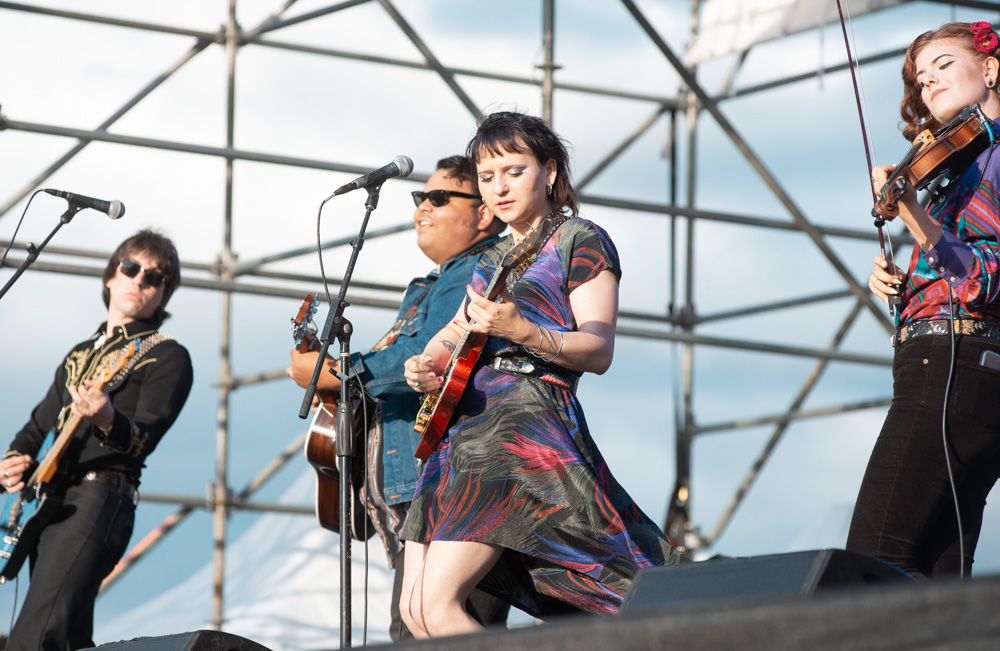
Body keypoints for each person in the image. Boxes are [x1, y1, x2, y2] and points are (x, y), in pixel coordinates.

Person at [400, 111, 681, 638]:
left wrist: (524, 330)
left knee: (438, 607)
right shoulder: (492, 258)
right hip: (462, 433)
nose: (498, 187)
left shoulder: (579, 238)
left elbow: (598, 349)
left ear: (549, 172)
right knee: (417, 614)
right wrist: (428, 364)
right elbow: (454, 333)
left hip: (520, 427)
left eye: (513, 170)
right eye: (487, 177)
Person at [286, 155, 510, 639]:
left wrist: (340, 373)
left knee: (438, 625)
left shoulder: (474, 269)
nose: (421, 208)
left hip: (453, 483)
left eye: (438, 197)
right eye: (419, 197)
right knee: (413, 628)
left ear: (484, 213)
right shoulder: (433, 283)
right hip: (420, 494)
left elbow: (425, 356)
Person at [846, 21, 1000, 579]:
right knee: (938, 576)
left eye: (942, 65)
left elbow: (985, 278)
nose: (927, 81)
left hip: (954, 367)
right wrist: (897, 281)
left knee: (873, 554)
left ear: (990, 69)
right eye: (919, 76)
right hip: (964, 370)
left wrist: (913, 214)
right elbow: (956, 259)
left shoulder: (995, 156)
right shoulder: (959, 162)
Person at [0, 229, 193, 650]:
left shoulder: (167, 355)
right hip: (50, 502)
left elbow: (146, 438)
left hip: (100, 501)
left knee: (37, 635)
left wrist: (108, 417)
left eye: (155, 277)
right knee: (67, 637)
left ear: (164, 294)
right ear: (110, 277)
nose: (140, 280)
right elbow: (36, 427)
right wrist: (13, 462)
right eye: (130, 267)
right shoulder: (78, 354)